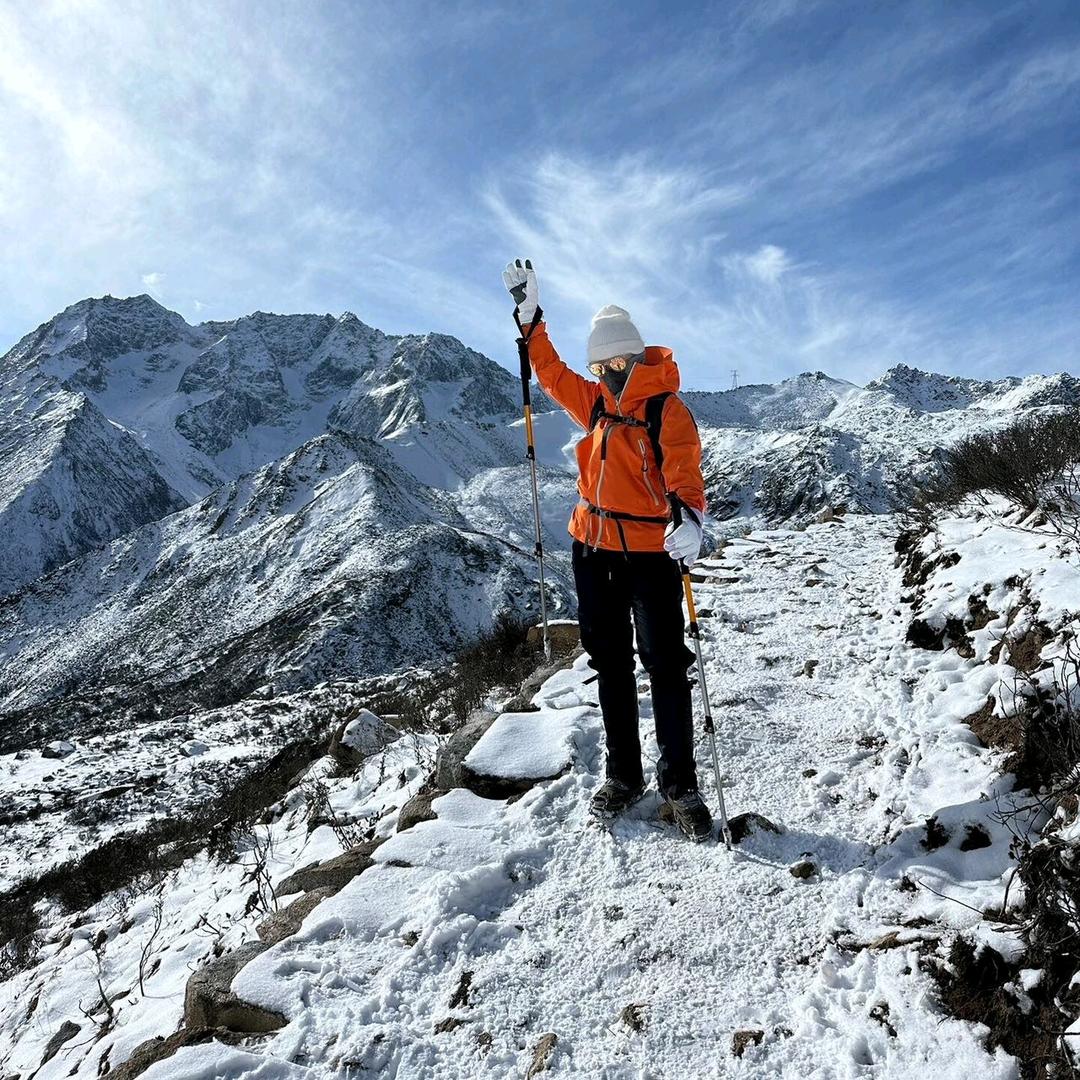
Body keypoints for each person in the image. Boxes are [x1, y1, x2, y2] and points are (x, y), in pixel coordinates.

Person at [502, 258, 713, 842]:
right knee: (610, 663)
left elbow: (685, 475)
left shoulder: (665, 409)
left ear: (638, 358)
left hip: (650, 551)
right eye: (602, 364)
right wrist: (530, 321)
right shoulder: (594, 401)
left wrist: (690, 518)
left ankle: (680, 783)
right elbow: (548, 372)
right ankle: (624, 775)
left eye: (618, 362)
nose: (609, 372)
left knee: (665, 665)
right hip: (591, 548)